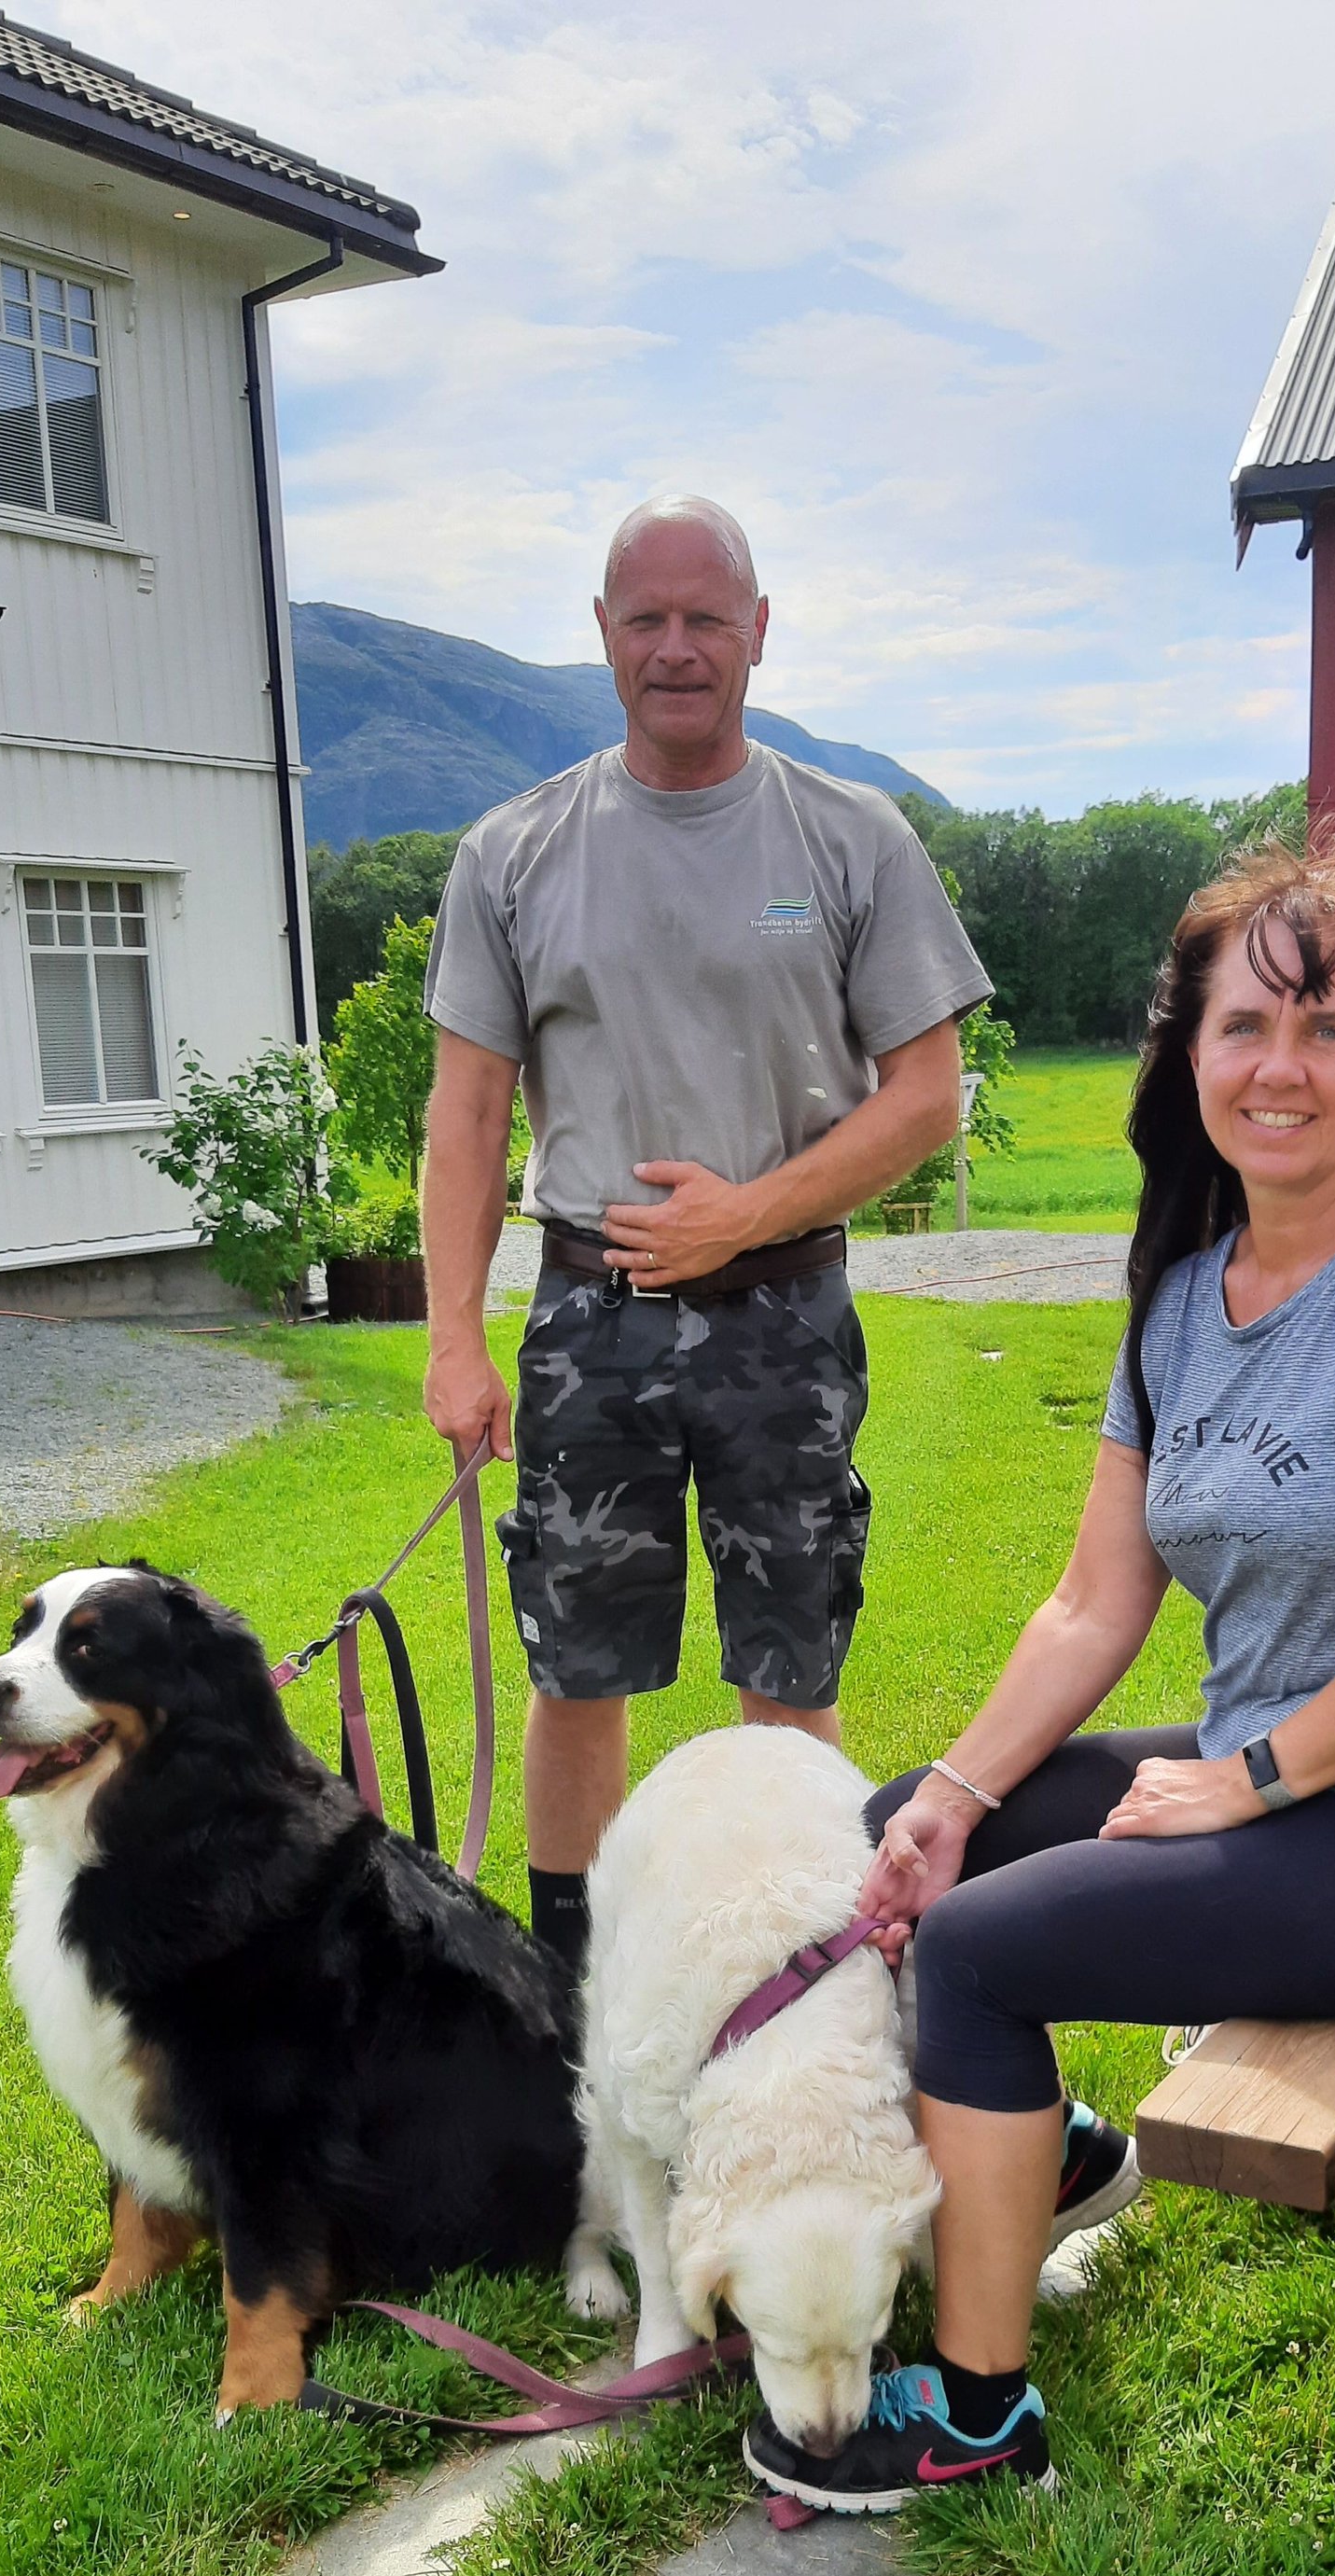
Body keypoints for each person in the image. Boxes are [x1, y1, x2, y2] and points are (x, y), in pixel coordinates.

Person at [742, 840, 1335, 2515]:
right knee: (903, 1833)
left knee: (979, 1948)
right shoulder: (1186, 1301)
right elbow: (1090, 1603)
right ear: (1190, 1056)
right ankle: (1047, 2153)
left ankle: (981, 2414)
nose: (1282, 1066)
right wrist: (956, 1792)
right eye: (1244, 1026)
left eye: (1327, 1028)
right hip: (1294, 1783)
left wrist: (1250, 1777)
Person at [418, 495, 989, 1969]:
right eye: (647, 620)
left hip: (783, 1320)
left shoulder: (853, 838)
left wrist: (749, 1214)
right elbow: (467, 1115)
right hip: (587, 1323)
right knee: (577, 1674)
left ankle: (803, 1974)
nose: (677, 649)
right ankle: (574, 1990)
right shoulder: (513, 852)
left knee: (789, 1673)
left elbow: (928, 1095)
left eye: (707, 619)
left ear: (759, 632)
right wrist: (454, 1340)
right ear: (603, 633)